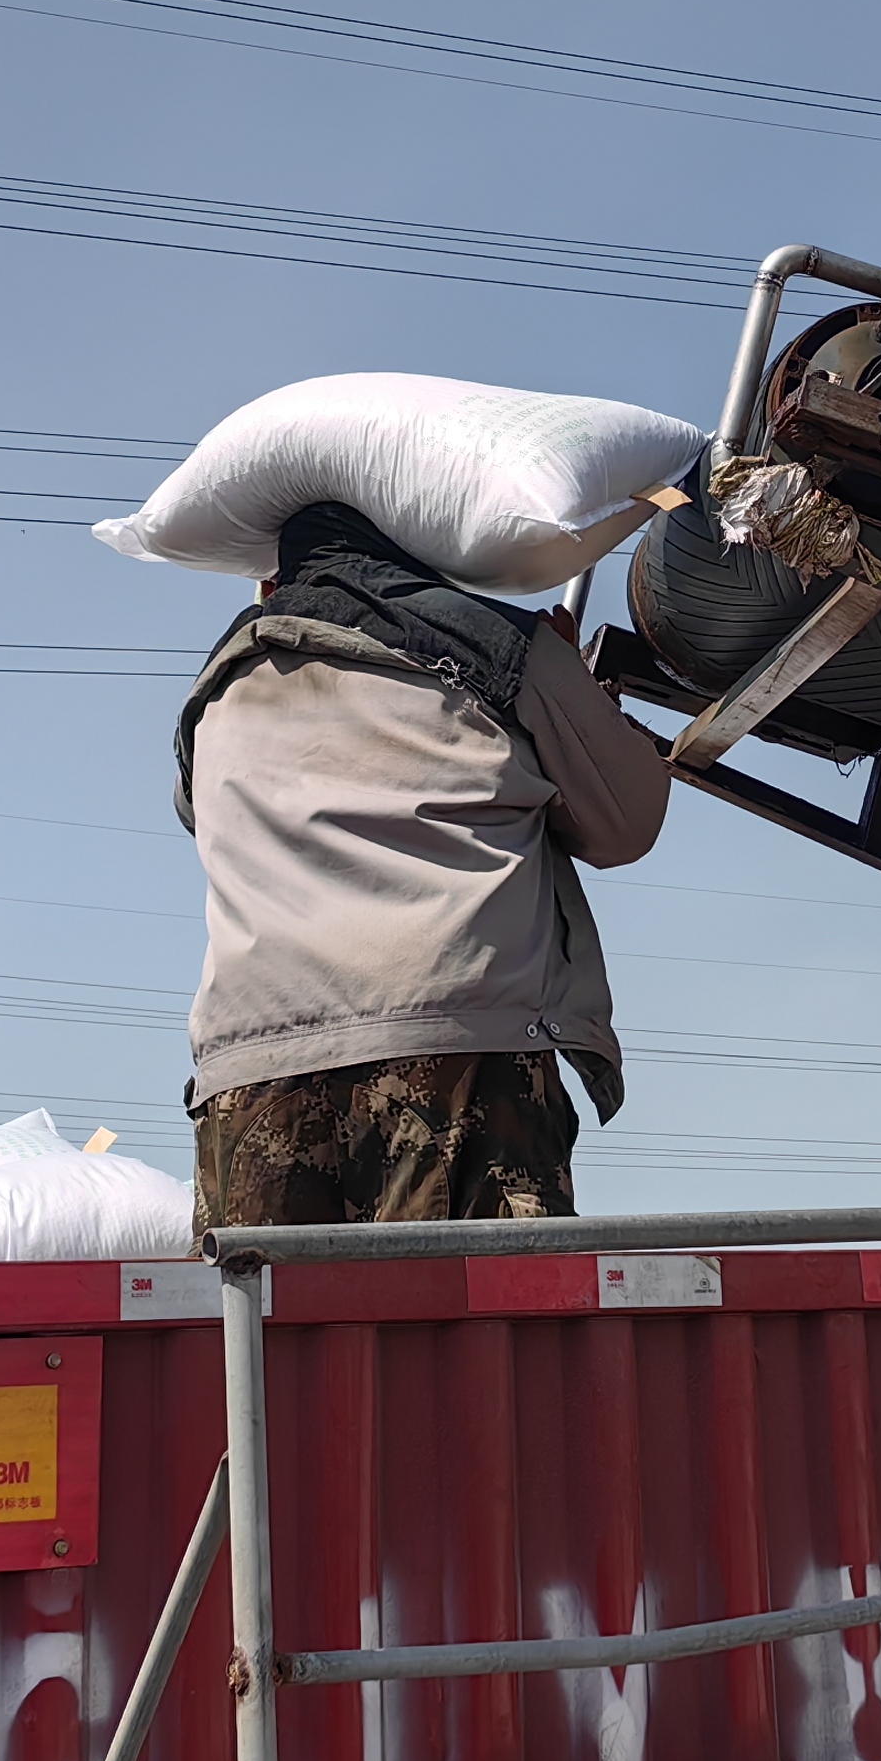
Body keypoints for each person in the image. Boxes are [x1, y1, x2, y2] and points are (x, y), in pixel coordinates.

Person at [179, 499, 671, 1230]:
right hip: (458, 1057)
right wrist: (576, 690)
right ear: (433, 544)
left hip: (249, 1075)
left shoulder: (211, 694)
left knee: (269, 1308)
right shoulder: (502, 644)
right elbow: (626, 821)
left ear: (275, 577)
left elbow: (197, 813)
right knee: (472, 1305)